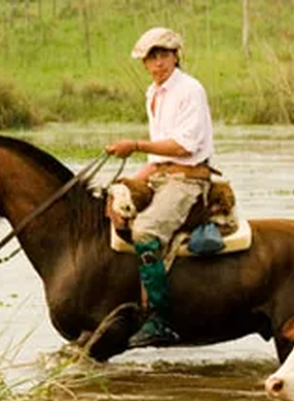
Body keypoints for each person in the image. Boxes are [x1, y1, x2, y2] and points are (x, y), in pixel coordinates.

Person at [106, 26, 215, 348]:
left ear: (175, 56)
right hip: (160, 175)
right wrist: (126, 183)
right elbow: (156, 159)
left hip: (187, 179)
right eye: (151, 58)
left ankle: (161, 318)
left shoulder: (190, 90)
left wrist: (135, 145)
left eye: (163, 55)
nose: (158, 63)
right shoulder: (152, 94)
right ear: (144, 63)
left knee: (145, 232)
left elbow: (184, 145)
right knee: (112, 203)